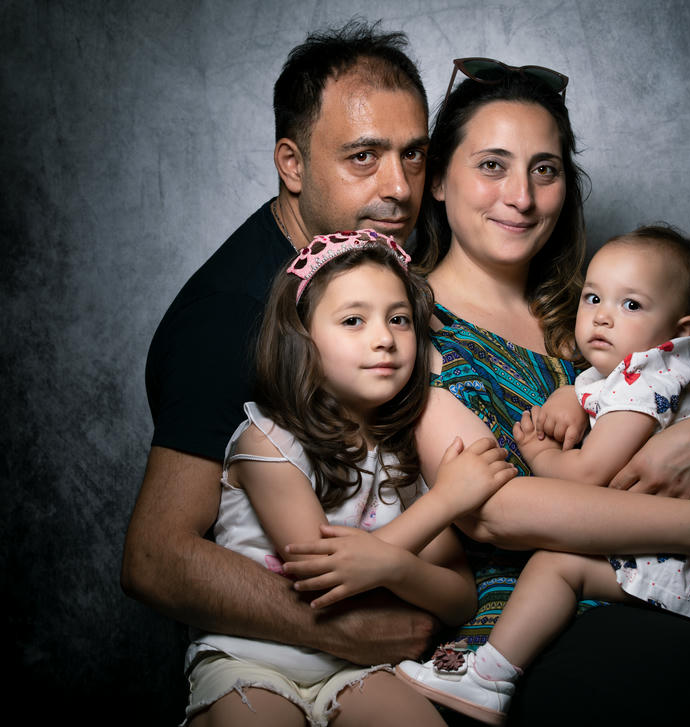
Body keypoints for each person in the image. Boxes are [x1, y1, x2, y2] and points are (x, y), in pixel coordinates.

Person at [403, 59, 690, 722]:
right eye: (492, 165)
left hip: (667, 588)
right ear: (439, 178)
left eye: (545, 169)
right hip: (520, 626)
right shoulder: (404, 324)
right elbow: (493, 511)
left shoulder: (599, 310)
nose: (522, 197)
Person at [120, 22, 443, 716]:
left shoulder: (379, 256)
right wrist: (340, 630)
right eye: (363, 156)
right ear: (292, 166)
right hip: (267, 666)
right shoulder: (231, 315)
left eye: (413, 155)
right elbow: (155, 555)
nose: (399, 188)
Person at [183, 231, 517, 726]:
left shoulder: (402, 453)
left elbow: (459, 598)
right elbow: (325, 572)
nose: (383, 338)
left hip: (358, 665)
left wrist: (397, 569)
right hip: (254, 660)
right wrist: (445, 502)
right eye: (353, 320)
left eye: (399, 319)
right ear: (302, 337)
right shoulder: (267, 442)